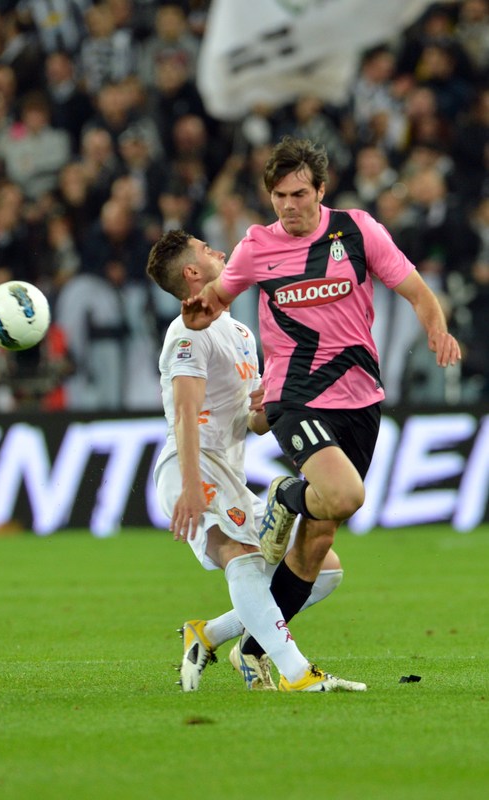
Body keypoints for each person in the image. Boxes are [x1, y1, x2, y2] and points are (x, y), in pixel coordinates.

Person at [182, 136, 461, 671]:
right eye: (279, 196)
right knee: (343, 495)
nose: (289, 206)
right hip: (295, 396)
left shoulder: (356, 230)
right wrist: (201, 312)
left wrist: (438, 330)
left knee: (318, 538)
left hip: (360, 396)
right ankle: (288, 493)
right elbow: (217, 298)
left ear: (321, 191)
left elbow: (419, 292)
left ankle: (251, 648)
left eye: (299, 194)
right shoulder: (255, 248)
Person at [146, 228, 367, 693]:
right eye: (207, 250)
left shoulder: (241, 331)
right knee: (241, 556)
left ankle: (208, 634)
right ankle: (296, 673)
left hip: (229, 470)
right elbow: (186, 414)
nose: (220, 252)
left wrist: (265, 410)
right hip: (191, 465)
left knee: (325, 569)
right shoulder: (187, 332)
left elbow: (252, 422)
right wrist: (189, 485)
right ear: (192, 273)